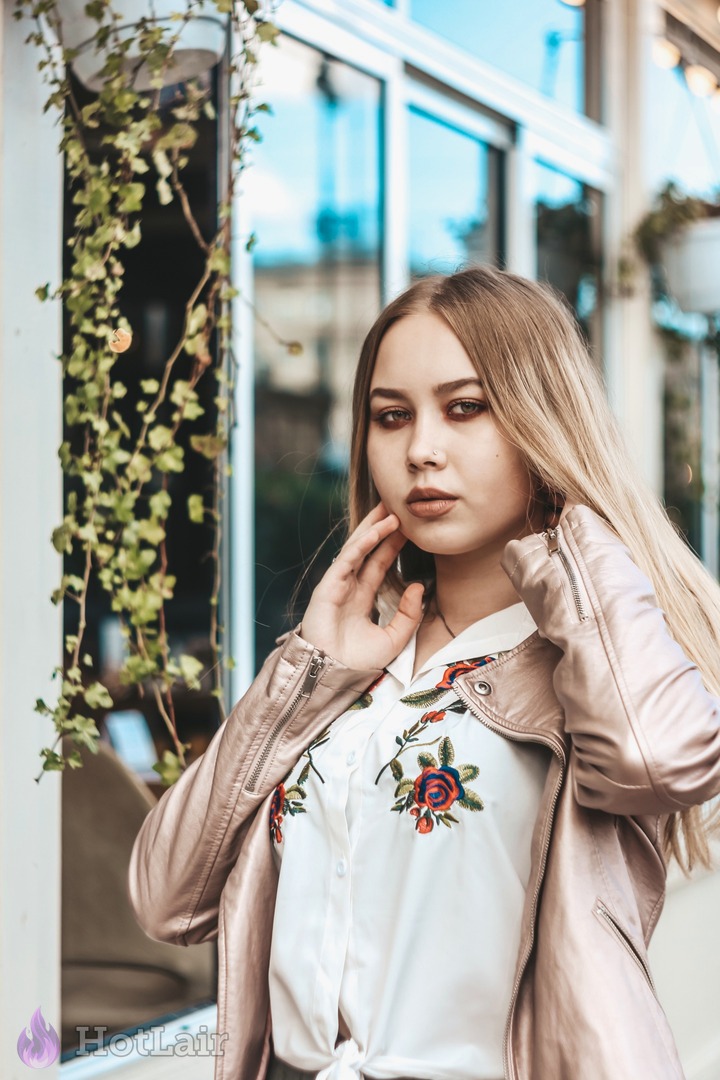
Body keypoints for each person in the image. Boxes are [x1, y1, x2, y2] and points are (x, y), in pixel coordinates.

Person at [128, 266, 720, 1080]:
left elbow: (661, 757)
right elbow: (168, 898)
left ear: (541, 422)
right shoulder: (348, 667)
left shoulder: (597, 662)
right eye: (391, 416)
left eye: (466, 408)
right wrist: (305, 674)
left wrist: (577, 536)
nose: (421, 450)